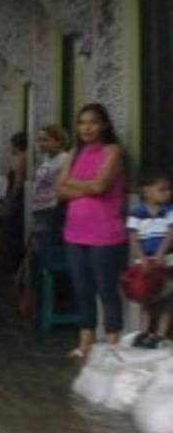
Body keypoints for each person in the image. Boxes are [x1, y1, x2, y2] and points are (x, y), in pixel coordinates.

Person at [58, 103, 127, 361]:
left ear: (104, 125)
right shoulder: (75, 153)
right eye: (82, 122)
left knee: (106, 289)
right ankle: (85, 343)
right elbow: (59, 189)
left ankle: (112, 344)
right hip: (75, 232)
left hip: (105, 233)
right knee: (82, 288)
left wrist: (73, 184)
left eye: (93, 122)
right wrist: (87, 186)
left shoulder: (113, 150)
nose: (87, 127)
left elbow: (101, 187)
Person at [125, 171, 173, 347]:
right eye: (162, 189)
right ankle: (144, 331)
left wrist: (161, 253)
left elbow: (170, 233)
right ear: (146, 191)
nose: (168, 193)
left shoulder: (169, 211)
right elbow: (133, 237)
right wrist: (141, 257)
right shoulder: (137, 212)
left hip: (166, 259)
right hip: (144, 260)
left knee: (166, 296)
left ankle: (161, 334)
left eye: (169, 189)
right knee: (145, 297)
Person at [31, 125, 72, 256]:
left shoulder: (65, 159)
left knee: (48, 249)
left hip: (52, 209)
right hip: (40, 209)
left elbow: (65, 185)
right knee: (40, 249)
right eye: (39, 140)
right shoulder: (47, 158)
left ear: (58, 142)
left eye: (45, 140)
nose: (41, 144)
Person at [5, 132, 28, 270]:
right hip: (17, 199)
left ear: (16, 145)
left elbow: (18, 183)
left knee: (13, 232)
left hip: (17, 200)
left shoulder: (21, 158)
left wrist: (11, 200)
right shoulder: (21, 157)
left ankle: (15, 265)